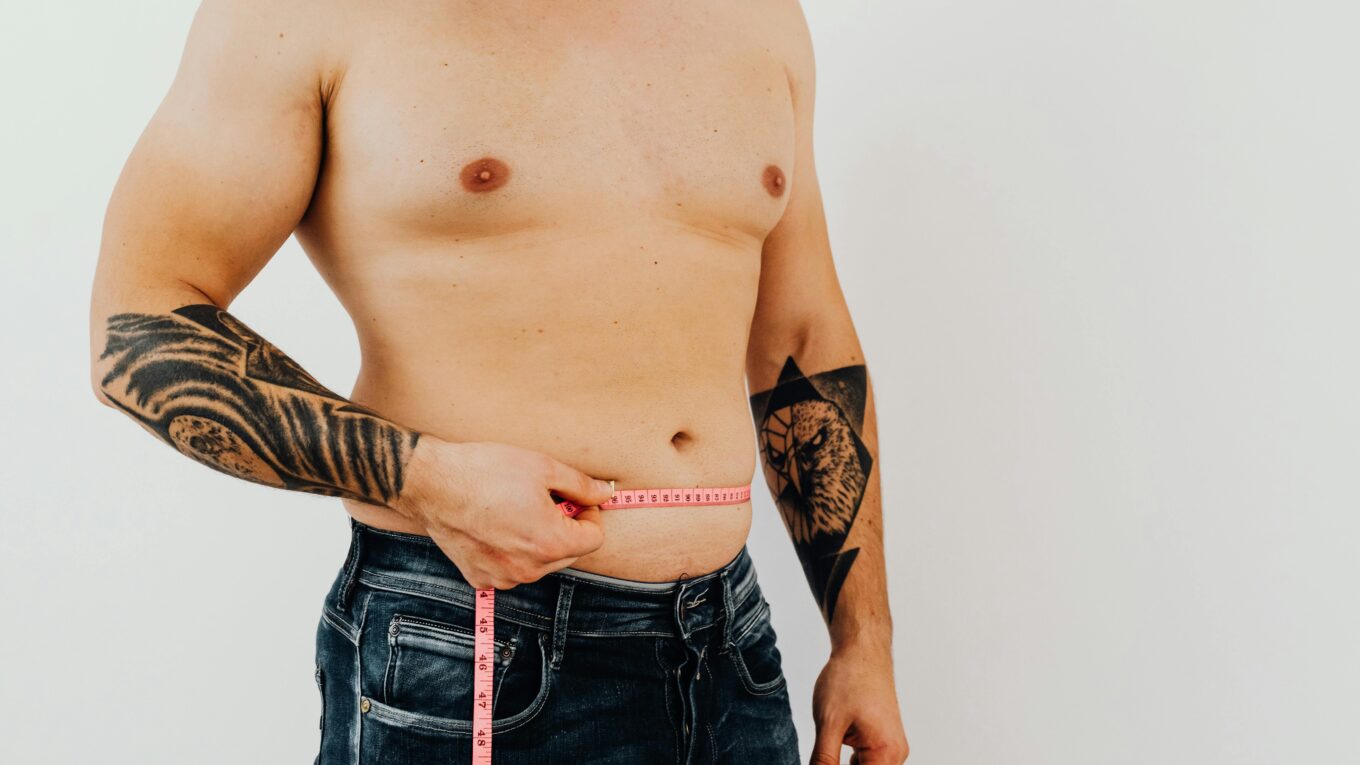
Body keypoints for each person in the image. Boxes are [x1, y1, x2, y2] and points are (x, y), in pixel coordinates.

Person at [88, 1, 909, 763]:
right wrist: (425, 479)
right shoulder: (307, 14)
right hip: (468, 635)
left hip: (731, 649)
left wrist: (863, 638)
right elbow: (137, 324)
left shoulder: (760, 17)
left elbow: (803, 338)